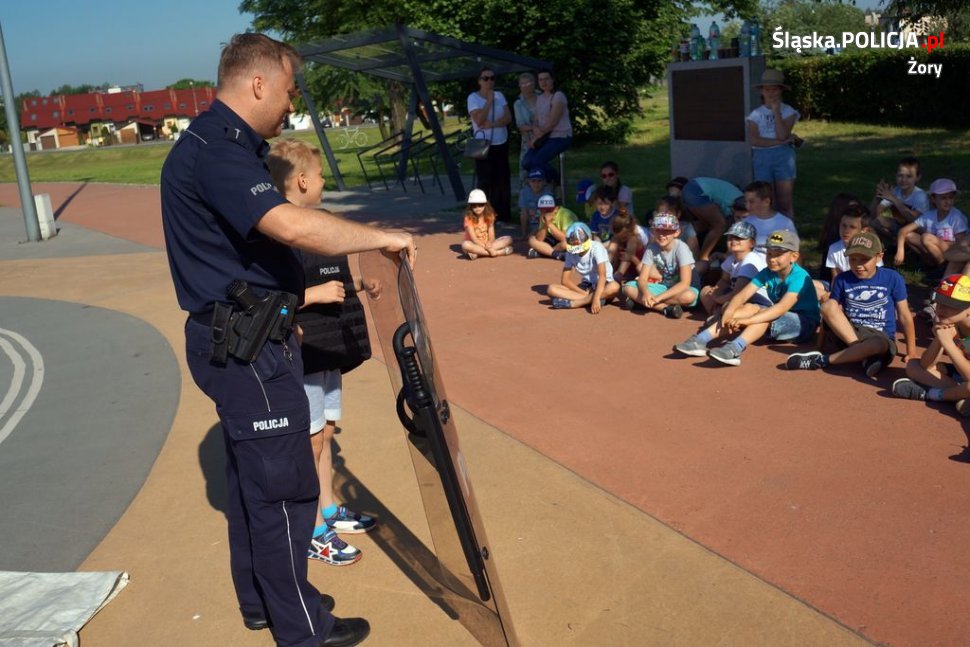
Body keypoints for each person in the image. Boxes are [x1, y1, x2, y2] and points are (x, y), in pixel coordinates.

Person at [161, 33, 414, 647]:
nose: (291, 101)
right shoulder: (218, 152)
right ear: (258, 83)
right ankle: (302, 629)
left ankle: (263, 602)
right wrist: (381, 237)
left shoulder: (220, 145)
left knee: (254, 486)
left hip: (245, 338)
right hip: (247, 350)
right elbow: (290, 226)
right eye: (289, 88)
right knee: (284, 492)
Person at [267, 139, 378, 568]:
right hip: (305, 351)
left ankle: (329, 509)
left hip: (329, 347)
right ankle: (312, 529)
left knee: (326, 432)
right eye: (320, 177)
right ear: (301, 181)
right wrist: (311, 295)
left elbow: (333, 278)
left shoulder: (320, 225)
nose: (324, 183)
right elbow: (268, 297)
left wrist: (361, 285)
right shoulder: (278, 233)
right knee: (309, 441)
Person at [785, 232, 915, 378]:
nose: (858, 265)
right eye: (853, 259)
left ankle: (821, 361)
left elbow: (904, 315)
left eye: (864, 259)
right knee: (828, 304)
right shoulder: (842, 279)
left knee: (877, 344)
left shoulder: (892, 278)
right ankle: (863, 354)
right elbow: (829, 313)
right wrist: (819, 346)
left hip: (879, 337)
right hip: (849, 333)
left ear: (879, 257)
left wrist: (911, 352)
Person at [704, 230, 820, 366]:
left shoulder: (800, 276)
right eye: (769, 254)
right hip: (780, 316)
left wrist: (748, 321)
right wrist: (729, 312)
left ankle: (734, 348)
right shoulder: (767, 272)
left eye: (777, 255)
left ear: (793, 257)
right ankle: (700, 340)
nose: (772, 259)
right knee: (739, 309)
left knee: (764, 317)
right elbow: (742, 295)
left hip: (804, 324)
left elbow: (781, 308)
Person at [891, 274, 970, 417]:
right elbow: (925, 365)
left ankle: (934, 394)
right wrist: (939, 339)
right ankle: (960, 395)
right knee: (913, 366)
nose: (942, 309)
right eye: (940, 302)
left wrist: (948, 343)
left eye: (951, 305)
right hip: (963, 374)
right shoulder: (949, 322)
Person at [621, 213, 698, 319]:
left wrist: (658, 298)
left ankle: (642, 303)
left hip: (683, 290)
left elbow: (684, 283)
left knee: (689, 296)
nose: (661, 235)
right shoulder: (651, 248)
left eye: (666, 231)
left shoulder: (682, 248)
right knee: (627, 288)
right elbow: (642, 279)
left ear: (676, 232)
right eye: (658, 230)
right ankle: (665, 308)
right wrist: (646, 293)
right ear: (653, 231)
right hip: (664, 287)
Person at [746, 68, 800, 218]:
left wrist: (776, 111)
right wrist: (780, 141)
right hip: (762, 157)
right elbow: (755, 140)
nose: (770, 93)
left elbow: (783, 134)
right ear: (762, 91)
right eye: (767, 89)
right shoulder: (755, 114)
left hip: (783, 156)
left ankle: (787, 230)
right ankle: (768, 228)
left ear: (781, 90)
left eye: (774, 89)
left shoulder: (788, 111)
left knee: (785, 202)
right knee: (765, 199)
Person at [695, 220, 768, 317]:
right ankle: (717, 316)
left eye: (739, 238)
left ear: (752, 243)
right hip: (739, 299)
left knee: (728, 306)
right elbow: (724, 280)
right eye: (730, 237)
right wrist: (716, 292)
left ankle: (720, 317)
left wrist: (717, 299)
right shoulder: (731, 259)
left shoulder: (751, 260)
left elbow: (738, 293)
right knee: (705, 291)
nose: (733, 240)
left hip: (757, 303)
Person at [467, 66, 512, 222]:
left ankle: (502, 214)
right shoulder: (473, 98)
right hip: (483, 144)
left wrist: (493, 124)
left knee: (502, 180)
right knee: (485, 180)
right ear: (479, 81)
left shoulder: (500, 95)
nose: (489, 81)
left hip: (500, 141)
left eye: (492, 78)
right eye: (485, 78)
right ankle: (481, 215)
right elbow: (479, 120)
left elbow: (508, 118)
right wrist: (489, 101)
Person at [547, 222, 621, 313]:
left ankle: (576, 303)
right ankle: (589, 300)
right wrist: (585, 294)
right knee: (551, 289)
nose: (578, 249)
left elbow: (602, 276)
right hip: (586, 287)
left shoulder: (597, 248)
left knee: (615, 287)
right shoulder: (570, 252)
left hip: (603, 285)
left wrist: (596, 297)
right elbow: (565, 281)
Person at [895, 178, 967, 271]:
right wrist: (900, 250)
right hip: (934, 247)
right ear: (933, 199)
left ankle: (942, 267)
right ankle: (930, 264)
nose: (948, 202)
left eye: (951, 198)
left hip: (951, 252)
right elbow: (903, 230)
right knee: (909, 236)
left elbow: (961, 244)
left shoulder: (956, 217)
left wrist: (940, 242)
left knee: (926, 237)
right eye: (943, 198)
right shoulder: (929, 215)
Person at [677, 176, 743, 275]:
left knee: (709, 223)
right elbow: (726, 227)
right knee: (719, 225)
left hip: (693, 187)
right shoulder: (739, 205)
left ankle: (680, 240)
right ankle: (703, 259)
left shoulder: (738, 200)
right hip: (697, 190)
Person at [521, 70, 572, 185]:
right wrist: (535, 130)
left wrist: (536, 138)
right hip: (544, 137)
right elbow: (537, 120)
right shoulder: (540, 98)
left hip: (560, 136)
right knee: (526, 162)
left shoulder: (558, 96)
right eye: (541, 80)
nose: (543, 82)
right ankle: (545, 183)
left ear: (552, 80)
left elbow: (552, 122)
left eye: (546, 79)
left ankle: (559, 183)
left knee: (537, 161)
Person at [869, 156, 930, 244]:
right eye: (900, 175)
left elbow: (914, 219)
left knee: (909, 233)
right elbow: (875, 212)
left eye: (909, 176)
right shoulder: (896, 191)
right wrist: (878, 197)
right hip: (900, 226)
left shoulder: (920, 195)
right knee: (873, 222)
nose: (903, 180)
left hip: (917, 230)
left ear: (917, 177)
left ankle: (900, 243)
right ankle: (894, 241)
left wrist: (895, 200)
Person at [741, 181, 797, 254]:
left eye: (752, 202)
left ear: (766, 202)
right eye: (745, 202)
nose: (747, 206)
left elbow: (794, 251)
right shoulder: (745, 223)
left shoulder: (784, 223)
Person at [461, 189, 513, 259]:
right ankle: (498, 252)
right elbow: (474, 239)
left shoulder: (489, 215)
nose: (477, 208)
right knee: (465, 245)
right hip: (474, 244)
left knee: (509, 239)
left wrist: (489, 243)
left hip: (488, 244)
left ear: (485, 204)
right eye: (474, 205)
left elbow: (492, 236)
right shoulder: (468, 218)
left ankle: (478, 253)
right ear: (470, 206)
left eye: (480, 205)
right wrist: (488, 249)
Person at [527, 193, 576, 259]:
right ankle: (556, 254)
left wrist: (549, 224)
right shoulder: (543, 215)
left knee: (566, 244)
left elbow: (564, 238)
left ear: (556, 208)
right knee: (532, 239)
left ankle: (543, 252)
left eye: (549, 210)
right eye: (542, 210)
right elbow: (539, 239)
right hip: (552, 241)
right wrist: (545, 225)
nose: (546, 212)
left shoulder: (566, 215)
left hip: (567, 240)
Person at [513, 72, 539, 185]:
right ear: (519, 86)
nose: (526, 86)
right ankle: (526, 190)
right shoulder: (518, 104)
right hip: (528, 141)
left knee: (542, 164)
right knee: (525, 165)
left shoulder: (542, 98)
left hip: (545, 137)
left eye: (528, 83)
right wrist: (533, 127)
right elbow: (520, 125)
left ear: (534, 83)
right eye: (523, 84)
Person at [609, 210, 650, 282]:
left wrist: (631, 257)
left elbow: (629, 257)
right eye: (619, 237)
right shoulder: (617, 238)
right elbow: (611, 252)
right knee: (614, 243)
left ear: (631, 231)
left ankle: (618, 276)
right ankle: (606, 270)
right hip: (623, 271)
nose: (621, 240)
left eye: (624, 237)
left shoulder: (634, 239)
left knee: (628, 252)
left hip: (636, 270)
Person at [518, 168, 549, 239]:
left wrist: (535, 232)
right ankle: (524, 234)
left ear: (544, 182)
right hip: (530, 225)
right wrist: (524, 233)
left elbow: (548, 217)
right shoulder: (524, 192)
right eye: (533, 181)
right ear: (529, 182)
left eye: (539, 181)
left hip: (544, 226)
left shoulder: (547, 194)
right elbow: (523, 212)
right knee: (523, 213)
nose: (536, 184)